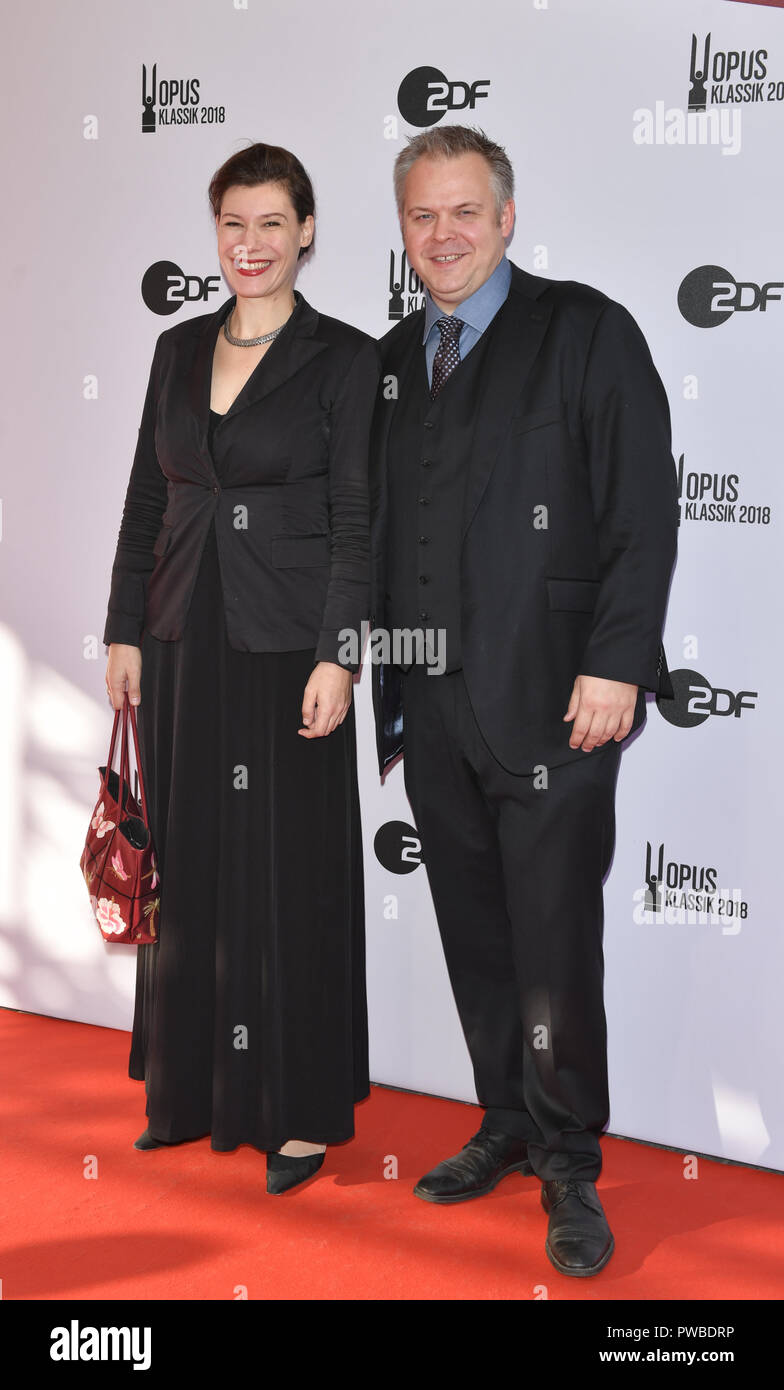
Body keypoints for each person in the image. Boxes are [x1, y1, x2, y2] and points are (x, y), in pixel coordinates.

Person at [369, 125, 678, 1275]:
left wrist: (619, 662)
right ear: (400, 233)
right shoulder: (397, 361)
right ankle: (502, 1116)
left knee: (552, 944)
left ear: (506, 217)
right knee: (476, 936)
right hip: (435, 709)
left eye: (462, 212)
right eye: (419, 216)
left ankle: (566, 1161)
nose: (441, 235)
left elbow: (642, 509)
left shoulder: (586, 330)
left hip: (558, 703)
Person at [103, 142, 378, 1194]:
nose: (249, 244)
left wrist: (340, 655)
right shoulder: (174, 349)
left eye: (271, 223)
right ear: (213, 233)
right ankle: (187, 1092)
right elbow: (146, 499)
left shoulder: (345, 361)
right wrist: (126, 626)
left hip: (288, 654)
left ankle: (299, 1112)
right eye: (232, 224)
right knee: (193, 866)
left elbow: (359, 521)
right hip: (181, 641)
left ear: (305, 231)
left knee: (291, 874)